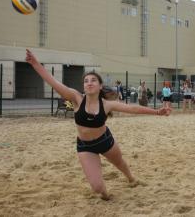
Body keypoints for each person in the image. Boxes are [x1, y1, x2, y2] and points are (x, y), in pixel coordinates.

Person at [25, 49, 170, 200]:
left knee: (119, 163)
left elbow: (132, 108)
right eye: (86, 81)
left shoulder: (107, 104)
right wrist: (35, 64)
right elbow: (53, 82)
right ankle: (106, 194)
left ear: (100, 86)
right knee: (97, 187)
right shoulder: (76, 98)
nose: (89, 83)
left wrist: (157, 112)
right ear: (83, 87)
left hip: (105, 141)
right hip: (85, 146)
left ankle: (131, 178)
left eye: (93, 80)